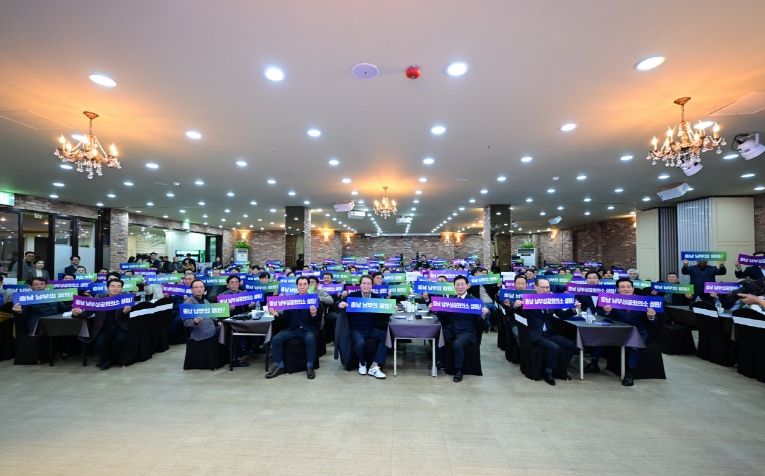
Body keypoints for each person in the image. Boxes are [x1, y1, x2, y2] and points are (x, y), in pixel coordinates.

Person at [585, 278, 657, 386]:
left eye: (628, 287)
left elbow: (654, 321)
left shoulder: (643, 301)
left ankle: (630, 373)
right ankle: (594, 363)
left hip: (637, 330)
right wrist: (607, 312)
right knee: (600, 336)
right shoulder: (612, 300)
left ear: (633, 288)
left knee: (636, 344)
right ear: (618, 289)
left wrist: (651, 316)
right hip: (617, 330)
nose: (626, 289)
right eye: (622, 287)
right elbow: (602, 316)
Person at [430, 275, 489, 382]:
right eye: (457, 285)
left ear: (467, 286)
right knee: (437, 335)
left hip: (468, 331)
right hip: (453, 329)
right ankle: (439, 361)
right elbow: (444, 316)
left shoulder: (474, 301)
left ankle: (458, 370)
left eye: (462, 284)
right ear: (454, 286)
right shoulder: (451, 300)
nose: (460, 287)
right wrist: (435, 309)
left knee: (457, 343)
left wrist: (483, 315)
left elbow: (484, 324)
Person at [523, 277, 579, 386]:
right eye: (542, 287)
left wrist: (573, 309)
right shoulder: (528, 299)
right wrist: (517, 305)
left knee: (571, 345)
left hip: (549, 332)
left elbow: (561, 315)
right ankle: (548, 372)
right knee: (554, 347)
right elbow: (518, 312)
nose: (545, 290)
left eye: (547, 287)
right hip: (536, 333)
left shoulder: (552, 299)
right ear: (535, 287)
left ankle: (561, 369)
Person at [265, 277, 319, 379]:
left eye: (304, 284)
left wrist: (314, 314)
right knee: (276, 339)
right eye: (300, 284)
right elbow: (284, 318)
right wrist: (276, 314)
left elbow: (318, 320)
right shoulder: (290, 300)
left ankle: (310, 366)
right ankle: (280, 366)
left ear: (308, 286)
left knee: (310, 339)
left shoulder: (313, 299)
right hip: (292, 329)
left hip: (307, 330)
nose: (302, 287)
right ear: (297, 286)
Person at [72, 279, 132, 370]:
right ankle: (107, 360)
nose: (115, 288)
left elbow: (132, 315)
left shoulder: (126, 300)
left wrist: (127, 312)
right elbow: (87, 313)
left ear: (121, 289)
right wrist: (75, 314)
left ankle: (111, 360)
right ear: (108, 288)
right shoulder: (99, 300)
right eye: (112, 286)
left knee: (120, 341)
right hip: (103, 328)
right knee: (100, 344)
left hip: (120, 327)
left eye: (118, 286)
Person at [338, 275, 388, 379]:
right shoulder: (352, 296)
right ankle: (362, 363)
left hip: (371, 329)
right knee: (360, 342)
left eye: (369, 284)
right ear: (360, 285)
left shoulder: (377, 298)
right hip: (356, 329)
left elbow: (384, 315)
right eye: (364, 283)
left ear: (372, 286)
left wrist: (391, 310)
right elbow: (337, 304)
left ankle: (374, 366)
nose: (366, 286)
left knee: (387, 337)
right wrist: (339, 304)